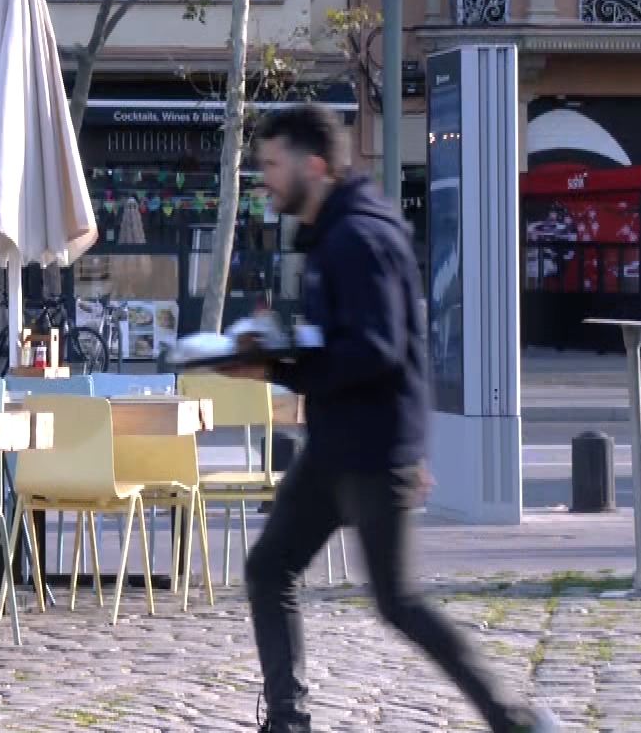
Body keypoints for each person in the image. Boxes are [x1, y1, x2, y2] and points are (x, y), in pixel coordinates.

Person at [211, 104, 557, 733]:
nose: (264, 180)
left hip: (373, 450)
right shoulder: (333, 234)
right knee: (270, 568)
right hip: (340, 446)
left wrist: (275, 366)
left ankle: (516, 721)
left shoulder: (358, 239)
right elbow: (347, 339)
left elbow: (376, 348)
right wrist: (277, 352)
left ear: (313, 164)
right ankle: (288, 722)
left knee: (397, 603)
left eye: (270, 165)